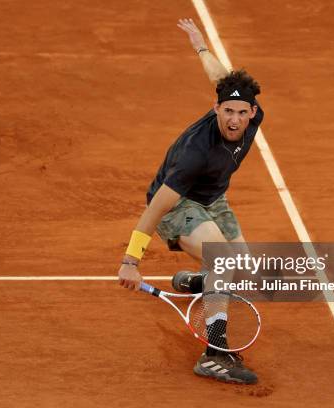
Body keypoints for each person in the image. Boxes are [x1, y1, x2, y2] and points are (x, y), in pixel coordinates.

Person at [118, 18, 263, 384]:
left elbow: (222, 79)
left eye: (241, 112)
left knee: (241, 269)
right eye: (226, 111)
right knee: (223, 260)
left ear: (251, 112)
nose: (234, 119)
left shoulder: (250, 113)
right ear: (215, 110)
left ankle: (197, 282)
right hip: (179, 205)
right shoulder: (195, 154)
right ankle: (214, 355)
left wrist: (200, 46)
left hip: (213, 198)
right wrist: (130, 261)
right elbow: (156, 208)